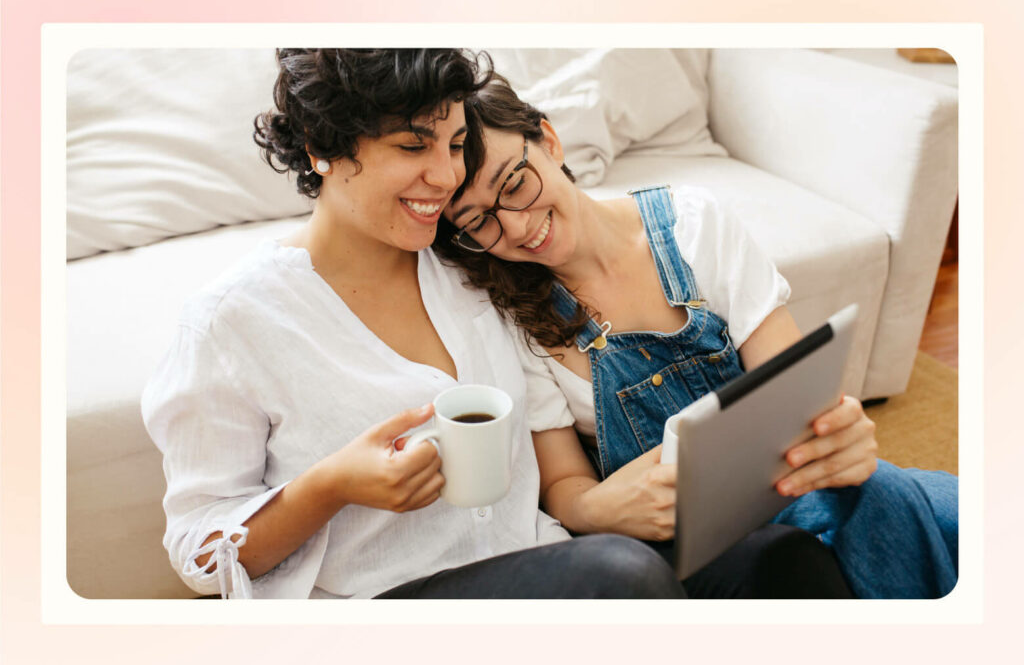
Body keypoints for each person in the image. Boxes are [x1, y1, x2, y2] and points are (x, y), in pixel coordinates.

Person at [141, 49, 850, 600]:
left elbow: (590, 234)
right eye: (414, 147)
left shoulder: (472, 265)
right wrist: (332, 486)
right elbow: (199, 551)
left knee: (784, 560)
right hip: (385, 603)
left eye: (453, 145)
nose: (447, 176)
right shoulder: (233, 322)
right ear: (325, 148)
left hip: (543, 561)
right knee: (622, 578)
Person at [434, 75, 959, 599]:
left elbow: (798, 389)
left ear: (548, 141)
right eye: (480, 221)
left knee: (960, 514)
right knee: (889, 510)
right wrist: (599, 509)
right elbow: (562, 487)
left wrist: (838, 429)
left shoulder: (694, 225)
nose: (519, 227)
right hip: (675, 533)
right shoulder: (516, 319)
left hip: (786, 484)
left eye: (515, 184)